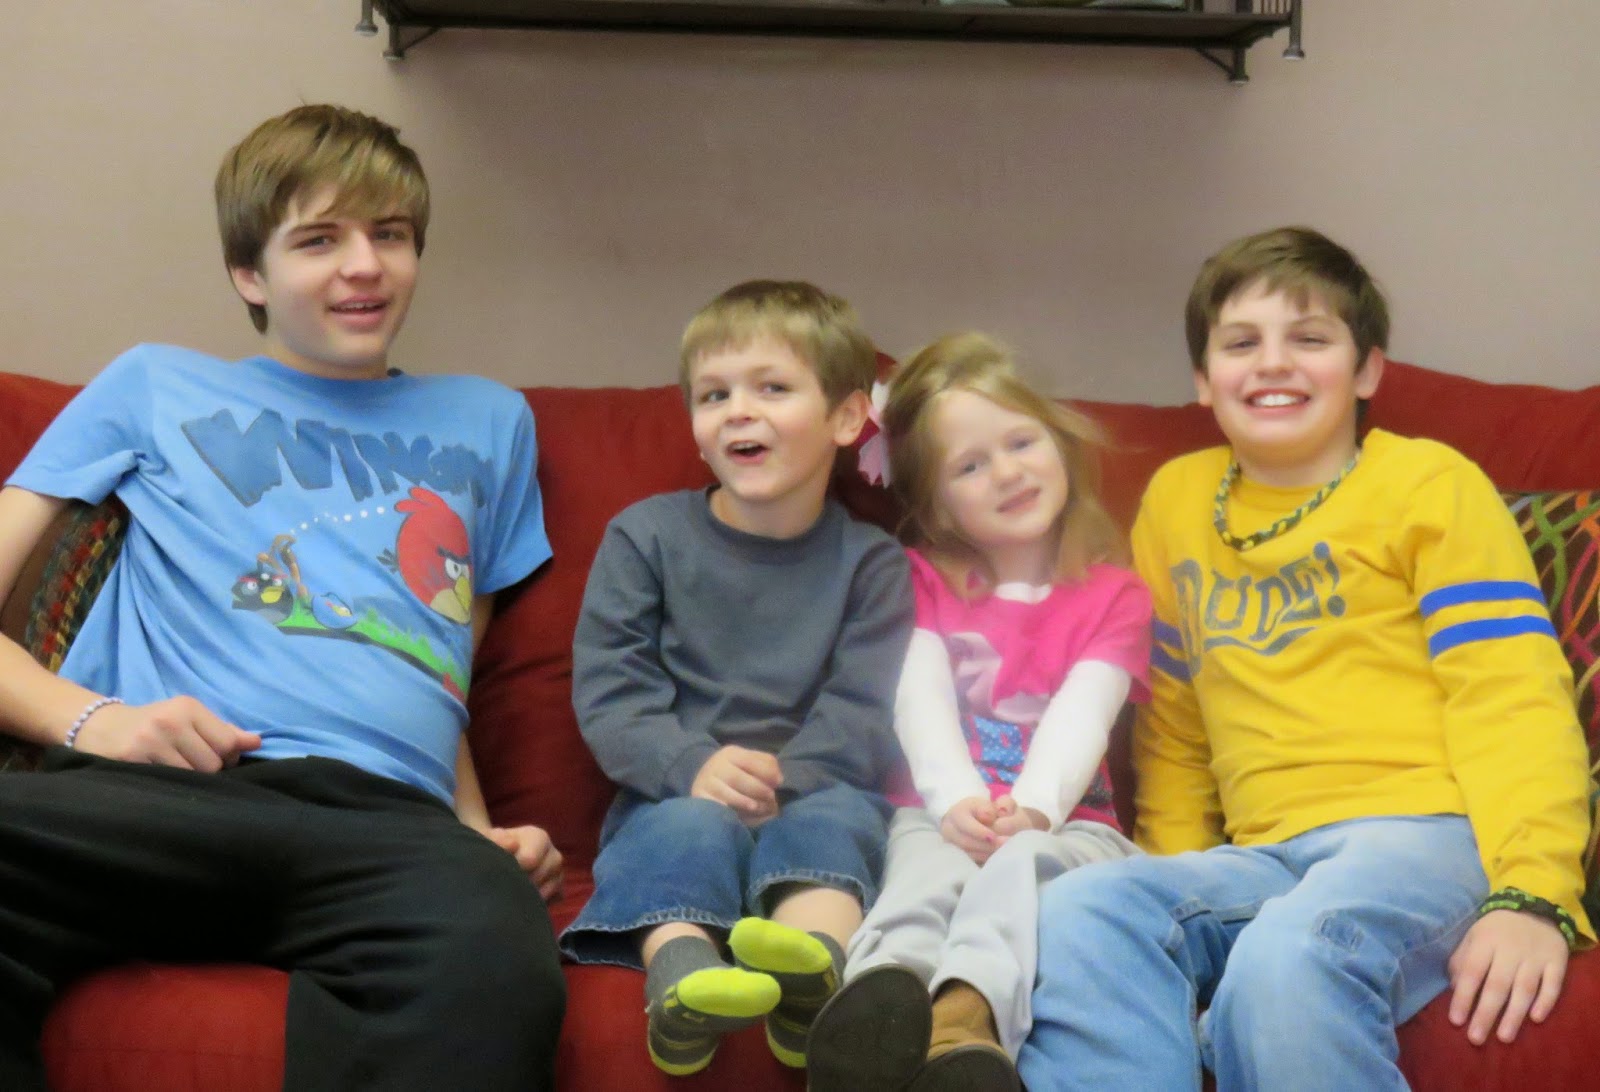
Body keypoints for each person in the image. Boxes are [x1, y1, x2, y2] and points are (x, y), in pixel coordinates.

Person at [0, 104, 566, 1091]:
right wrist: (99, 722)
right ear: (248, 274)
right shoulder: (151, 385)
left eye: (390, 234)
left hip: (390, 826)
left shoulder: (491, 422)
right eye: (320, 240)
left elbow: (438, 667)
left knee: (499, 966)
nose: (365, 266)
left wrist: (475, 837)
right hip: (168, 791)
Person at [1020, 225, 1595, 1091]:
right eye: (1241, 343)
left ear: (1367, 370)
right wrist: (1168, 867)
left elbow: (1511, 696)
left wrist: (1534, 892)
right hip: (1265, 855)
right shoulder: (1175, 503)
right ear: (1202, 378)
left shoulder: (1429, 485)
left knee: (1287, 956)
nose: (1274, 364)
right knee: (1078, 910)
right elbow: (1175, 730)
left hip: (1425, 836)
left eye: (1310, 338)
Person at [558, 280, 914, 1079]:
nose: (737, 412)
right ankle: (682, 978)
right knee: (682, 831)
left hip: (818, 783)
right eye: (713, 395)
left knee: (835, 823)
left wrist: (787, 777)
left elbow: (867, 706)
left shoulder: (874, 565)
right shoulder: (645, 537)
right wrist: (693, 766)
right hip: (677, 789)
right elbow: (613, 691)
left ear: (847, 418)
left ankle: (813, 974)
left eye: (772, 389)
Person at [804, 332, 1152, 1092]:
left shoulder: (1115, 594)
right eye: (970, 465)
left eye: (1021, 442)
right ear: (936, 503)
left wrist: (1032, 812)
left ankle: (965, 1018)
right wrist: (956, 801)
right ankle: (880, 1003)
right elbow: (918, 697)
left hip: (1074, 828)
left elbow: (1084, 715)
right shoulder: (918, 578)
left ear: (1059, 443)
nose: (1007, 472)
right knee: (921, 873)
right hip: (940, 811)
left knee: (1017, 871)